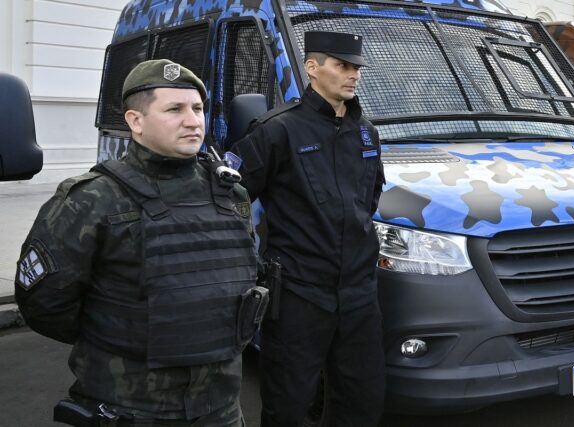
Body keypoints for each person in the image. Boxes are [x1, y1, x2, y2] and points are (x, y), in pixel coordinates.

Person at [15, 59, 261, 425]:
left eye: (197, 108)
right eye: (174, 109)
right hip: (129, 409)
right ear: (136, 121)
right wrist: (119, 335)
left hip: (220, 409)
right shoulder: (92, 199)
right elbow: (45, 304)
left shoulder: (231, 194)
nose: (193, 120)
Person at [229, 31, 386, 426]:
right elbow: (230, 201)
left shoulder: (366, 132)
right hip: (300, 296)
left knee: (362, 402)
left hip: (358, 298)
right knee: (289, 405)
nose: (353, 75)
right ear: (312, 68)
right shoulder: (277, 130)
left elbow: (369, 200)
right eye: (342, 66)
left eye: (356, 68)